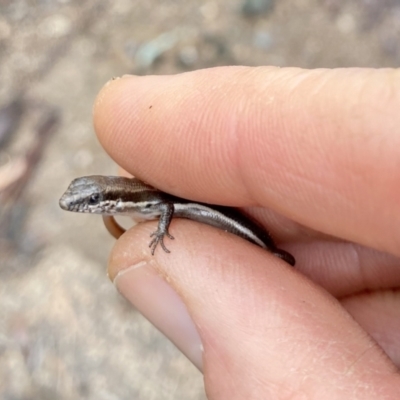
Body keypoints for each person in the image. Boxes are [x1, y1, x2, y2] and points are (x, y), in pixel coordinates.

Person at [93, 67, 400, 398]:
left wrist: (161, 233)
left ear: (112, 197)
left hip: (250, 234)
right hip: (214, 221)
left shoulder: (148, 200)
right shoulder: (135, 199)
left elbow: (168, 208)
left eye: (93, 200)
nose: (87, 204)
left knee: (276, 257)